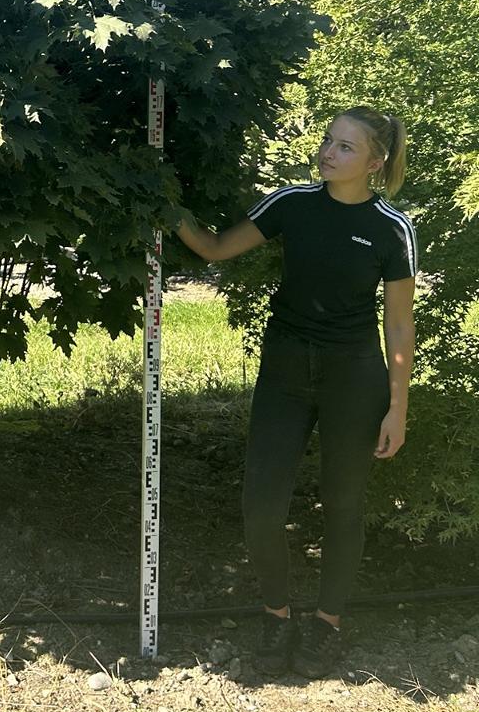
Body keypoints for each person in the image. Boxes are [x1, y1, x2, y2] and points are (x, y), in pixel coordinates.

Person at [175, 107, 416, 679]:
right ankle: (275, 613)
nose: (328, 152)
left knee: (344, 507)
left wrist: (398, 406)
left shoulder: (391, 227)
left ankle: (327, 624)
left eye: (345, 147)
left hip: (352, 377)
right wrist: (165, 210)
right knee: (261, 505)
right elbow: (212, 248)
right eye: (329, 141)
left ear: (375, 162)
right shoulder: (291, 203)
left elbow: (400, 324)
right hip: (284, 372)